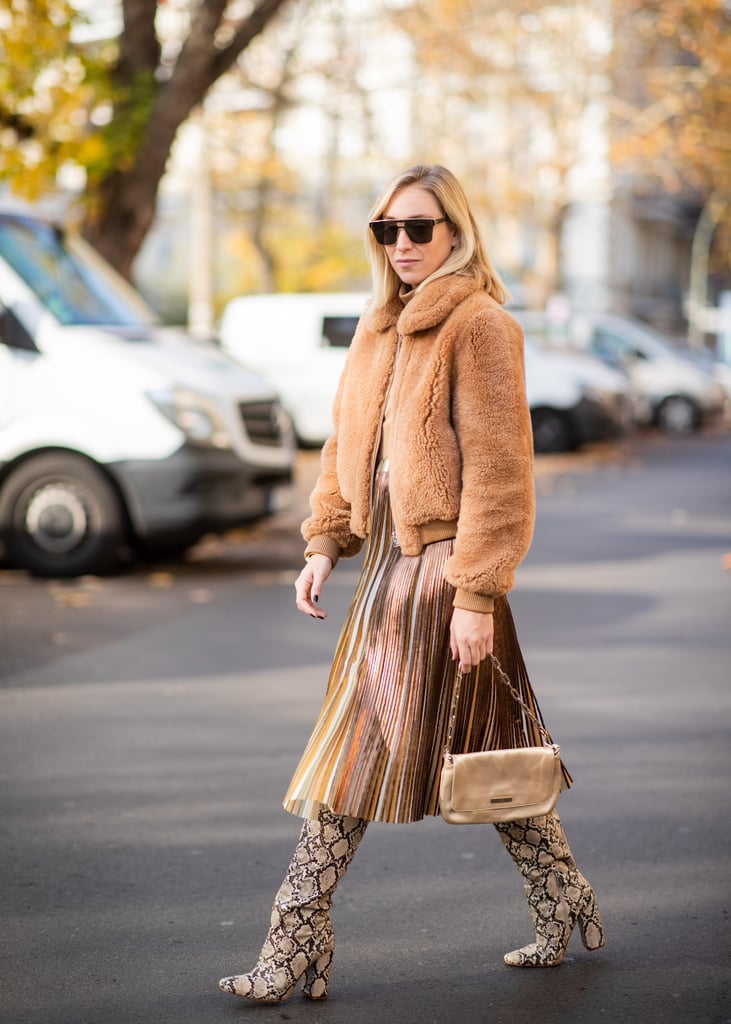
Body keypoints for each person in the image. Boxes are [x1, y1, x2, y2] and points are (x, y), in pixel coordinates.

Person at [218, 164, 604, 1003]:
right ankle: (561, 894)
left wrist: (475, 595)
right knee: (489, 750)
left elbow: (502, 475)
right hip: (386, 571)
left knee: (352, 755)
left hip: (444, 574)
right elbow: (341, 450)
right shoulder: (376, 328)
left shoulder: (481, 326)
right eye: (387, 230)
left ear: (455, 233)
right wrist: (324, 541)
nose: (400, 244)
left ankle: (294, 937)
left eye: (418, 228)